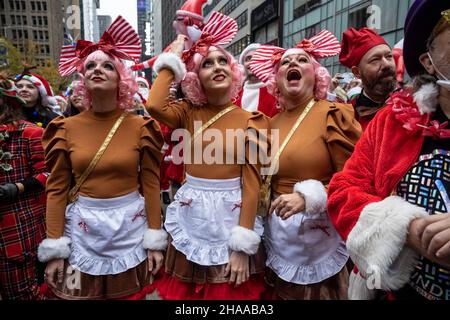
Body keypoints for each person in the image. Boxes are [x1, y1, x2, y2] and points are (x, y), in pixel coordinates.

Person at [327, 0, 450, 300]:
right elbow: (343, 188)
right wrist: (406, 226)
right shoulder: (391, 122)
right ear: (429, 61)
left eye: (387, 56)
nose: (385, 65)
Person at [37, 16, 166, 300]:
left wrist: (155, 240)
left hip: (130, 230)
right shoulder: (64, 128)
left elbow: (152, 185)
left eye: (108, 65)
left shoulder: (142, 127)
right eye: (91, 66)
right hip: (82, 233)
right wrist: (55, 248)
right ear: (82, 78)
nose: (98, 69)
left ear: (122, 78)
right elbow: (57, 189)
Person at [146, 12, 268, 300]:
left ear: (234, 71)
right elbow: (153, 104)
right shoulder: (187, 111)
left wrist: (242, 246)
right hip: (192, 216)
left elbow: (252, 186)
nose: (216, 67)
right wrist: (174, 55)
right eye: (206, 63)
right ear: (194, 76)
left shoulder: (253, 121)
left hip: (232, 220)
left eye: (223, 61)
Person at [249, 30, 362, 300]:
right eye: (285, 63)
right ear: (276, 80)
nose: (293, 65)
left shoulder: (333, 115)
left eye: (302, 60)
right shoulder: (268, 123)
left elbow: (355, 178)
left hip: (320, 240)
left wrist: (310, 197)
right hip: (279, 239)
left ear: (316, 75)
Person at [0, 74, 47, 300]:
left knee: (22, 294)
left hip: (16, 231)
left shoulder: (30, 133)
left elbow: (51, 174)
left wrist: (18, 187)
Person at [339, 27, 397, 130]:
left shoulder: (417, 102)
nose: (386, 64)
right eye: (375, 60)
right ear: (357, 72)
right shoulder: (347, 116)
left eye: (389, 56)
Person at [234, 43, 279, 118]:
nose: (252, 62)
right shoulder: (235, 96)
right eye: (248, 59)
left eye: (256, 58)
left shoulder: (277, 93)